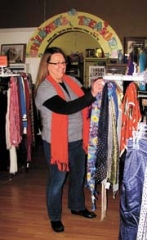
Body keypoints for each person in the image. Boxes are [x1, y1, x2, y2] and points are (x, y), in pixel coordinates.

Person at [35, 47, 104, 233]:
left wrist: (98, 90)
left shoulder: (72, 80)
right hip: (57, 143)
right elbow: (65, 108)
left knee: (78, 176)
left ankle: (77, 206)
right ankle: (55, 216)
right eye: (56, 63)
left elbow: (87, 99)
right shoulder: (44, 88)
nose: (61, 66)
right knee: (57, 180)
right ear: (47, 65)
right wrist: (92, 94)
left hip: (78, 139)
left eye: (63, 62)